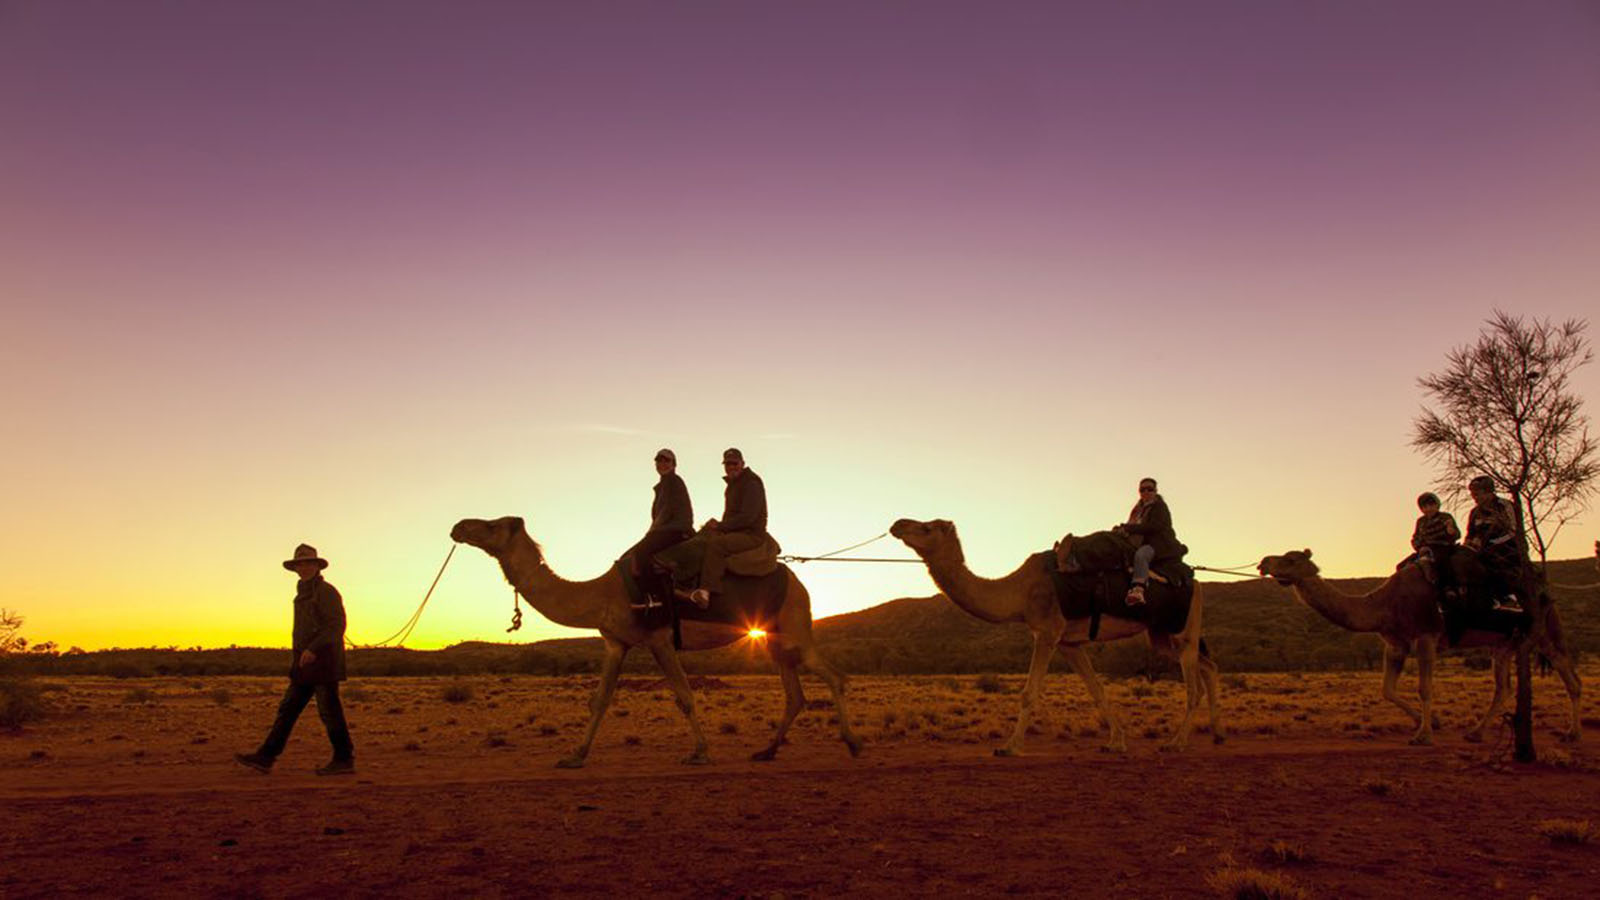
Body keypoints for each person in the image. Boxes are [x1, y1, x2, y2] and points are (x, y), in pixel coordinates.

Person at [235, 544, 355, 776]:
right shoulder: (303, 592)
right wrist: (299, 658)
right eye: (300, 563)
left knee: (329, 712)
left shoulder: (326, 591)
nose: (303, 566)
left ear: (316, 565)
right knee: (288, 710)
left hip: (324, 663)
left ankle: (344, 759)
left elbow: (336, 626)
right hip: (304, 665)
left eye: (307, 562)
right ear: (296, 568)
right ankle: (266, 757)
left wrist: (313, 649)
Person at [686, 448, 768, 608]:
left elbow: (748, 517)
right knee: (703, 537)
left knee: (717, 545)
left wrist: (721, 526)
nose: (731, 467)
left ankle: (705, 592)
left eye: (734, 463)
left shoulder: (751, 483)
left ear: (742, 464)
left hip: (751, 534)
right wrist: (716, 528)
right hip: (737, 530)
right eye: (727, 464)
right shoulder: (732, 486)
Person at [1453, 475, 1529, 614]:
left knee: (1494, 564)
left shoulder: (1505, 505)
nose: (1475, 497)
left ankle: (1509, 598)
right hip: (1481, 548)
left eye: (1477, 494)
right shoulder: (1475, 512)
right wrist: (1468, 545)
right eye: (1472, 494)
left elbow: (1513, 530)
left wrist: (1489, 544)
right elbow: (1470, 533)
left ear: (1489, 492)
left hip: (1507, 546)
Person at [623, 448, 694, 579]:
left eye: (666, 461)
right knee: (629, 555)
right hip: (666, 530)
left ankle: (654, 595)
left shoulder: (674, 482)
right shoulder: (662, 486)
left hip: (677, 530)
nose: (662, 464)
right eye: (659, 461)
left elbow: (666, 512)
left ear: (673, 464)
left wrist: (650, 533)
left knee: (641, 552)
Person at [1115, 477, 1183, 606]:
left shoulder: (1160, 507)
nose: (1145, 492)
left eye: (1149, 489)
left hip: (1159, 544)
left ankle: (1138, 589)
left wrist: (1128, 528)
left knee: (1141, 555)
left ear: (1155, 491)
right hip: (1141, 542)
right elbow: (1134, 526)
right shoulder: (1138, 510)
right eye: (1142, 490)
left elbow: (1154, 526)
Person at [1409, 491, 1461, 587]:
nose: (1428, 509)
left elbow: (1456, 535)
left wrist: (1451, 531)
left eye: (1431, 505)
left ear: (1437, 505)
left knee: (1442, 562)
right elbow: (1416, 537)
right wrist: (1419, 547)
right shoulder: (1421, 521)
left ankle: (1448, 587)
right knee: (1404, 565)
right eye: (1425, 507)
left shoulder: (1445, 517)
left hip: (1443, 546)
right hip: (1425, 549)